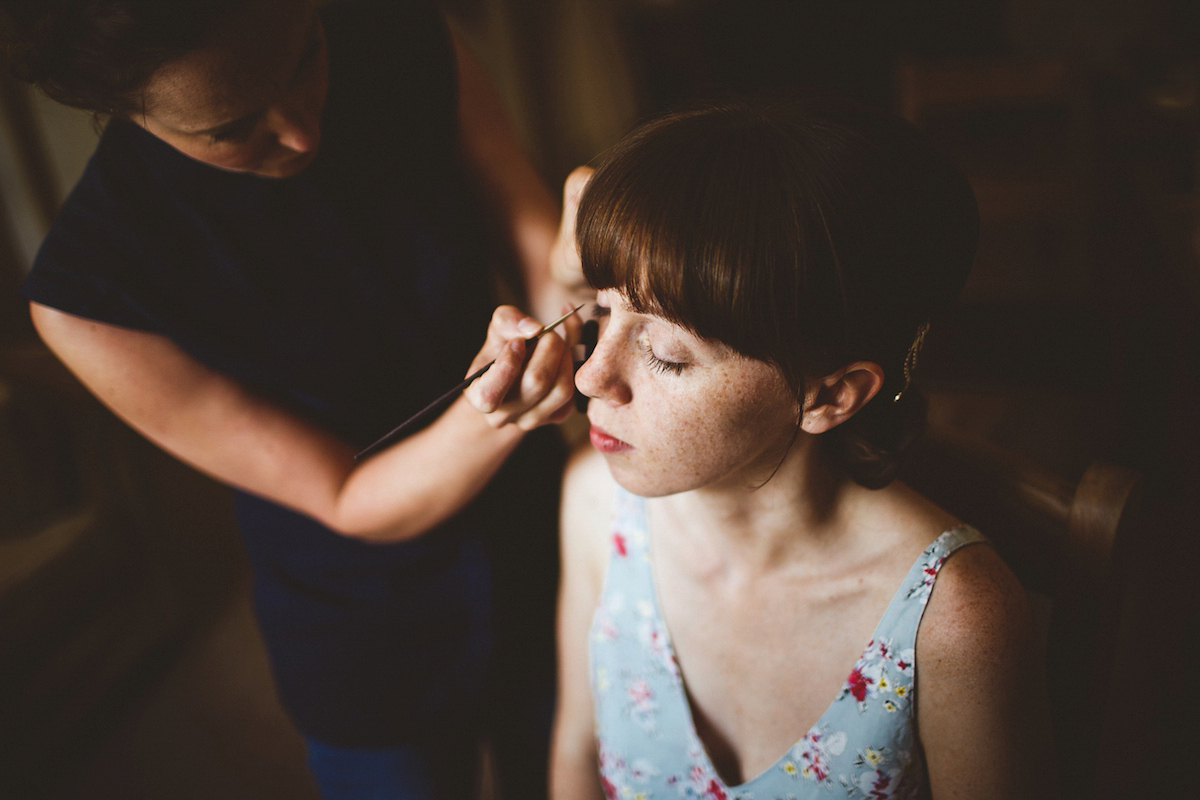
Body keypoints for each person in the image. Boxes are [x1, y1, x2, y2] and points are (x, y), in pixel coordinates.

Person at [1, 0, 584, 797]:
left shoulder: (408, 38)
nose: (302, 131)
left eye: (306, 57)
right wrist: (495, 411)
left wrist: (568, 302)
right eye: (230, 127)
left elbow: (530, 238)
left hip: (542, 534)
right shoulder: (88, 295)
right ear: (119, 108)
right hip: (361, 621)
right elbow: (346, 497)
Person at [550, 96, 1055, 799]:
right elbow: (575, 759)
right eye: (602, 311)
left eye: (667, 354)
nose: (590, 376)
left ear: (828, 397)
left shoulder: (953, 620)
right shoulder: (598, 504)